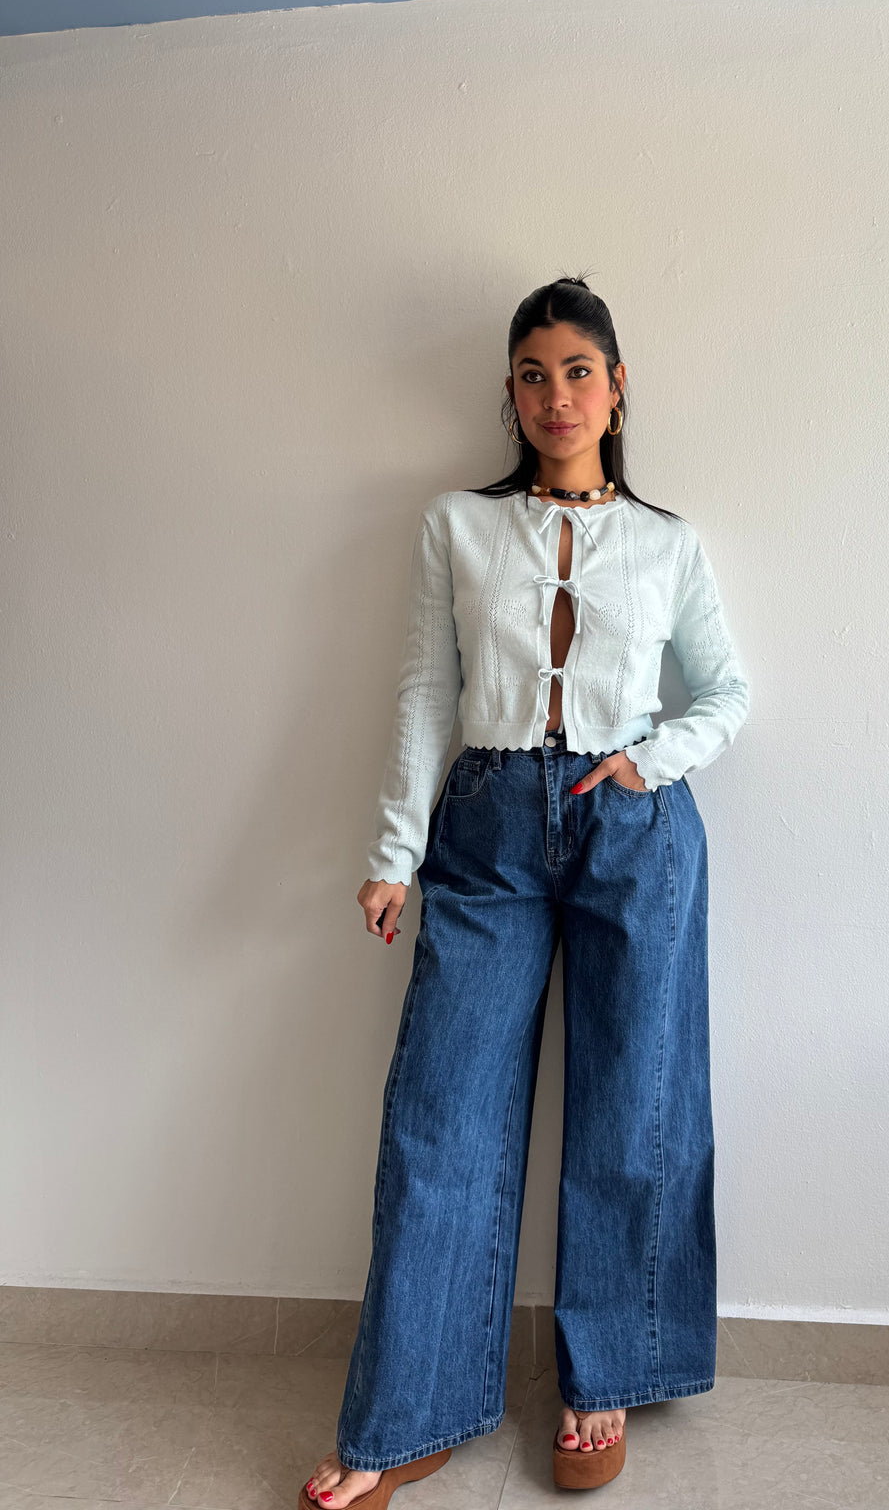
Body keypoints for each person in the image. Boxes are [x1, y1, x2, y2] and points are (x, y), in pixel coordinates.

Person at [299, 276, 750, 1509]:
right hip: (489, 827)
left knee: (631, 1106)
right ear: (510, 394)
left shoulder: (668, 543)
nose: (558, 395)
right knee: (439, 1116)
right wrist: (394, 851)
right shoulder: (456, 525)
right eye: (534, 375)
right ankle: (406, 1411)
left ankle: (606, 1380)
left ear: (617, 387)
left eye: (579, 371)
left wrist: (649, 760)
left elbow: (727, 692)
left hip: (634, 828)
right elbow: (426, 694)